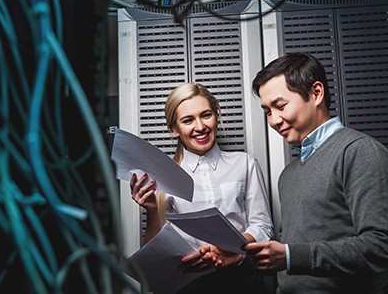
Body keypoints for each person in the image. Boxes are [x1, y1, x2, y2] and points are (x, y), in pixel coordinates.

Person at [239, 52, 388, 293]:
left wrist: (291, 257)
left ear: (316, 93)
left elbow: (381, 246)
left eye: (280, 106)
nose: (274, 120)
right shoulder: (288, 175)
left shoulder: (358, 151)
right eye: (267, 111)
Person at [130, 82, 274, 293]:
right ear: (174, 129)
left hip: (243, 281)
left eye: (206, 115)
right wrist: (151, 210)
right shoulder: (162, 176)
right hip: (189, 286)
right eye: (188, 120)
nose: (200, 127)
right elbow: (153, 253)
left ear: (216, 115)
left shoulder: (245, 163)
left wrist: (228, 249)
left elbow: (262, 226)